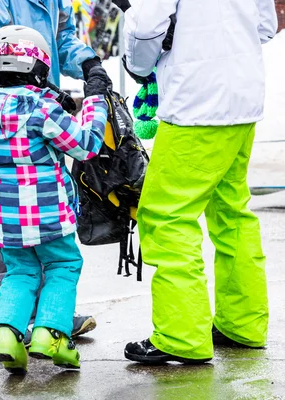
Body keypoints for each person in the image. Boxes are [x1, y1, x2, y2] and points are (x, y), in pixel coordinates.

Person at [121, 0, 277, 364]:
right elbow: (266, 26)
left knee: (166, 216)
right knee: (232, 212)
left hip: (196, 104)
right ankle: (243, 323)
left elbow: (145, 26)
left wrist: (141, 65)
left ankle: (181, 335)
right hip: (243, 100)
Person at [0, 26, 111, 373]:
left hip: (5, 219)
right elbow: (86, 145)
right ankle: (51, 334)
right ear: (39, 67)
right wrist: (94, 102)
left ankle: (7, 335)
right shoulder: (41, 107)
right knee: (62, 267)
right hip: (50, 217)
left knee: (20, 272)